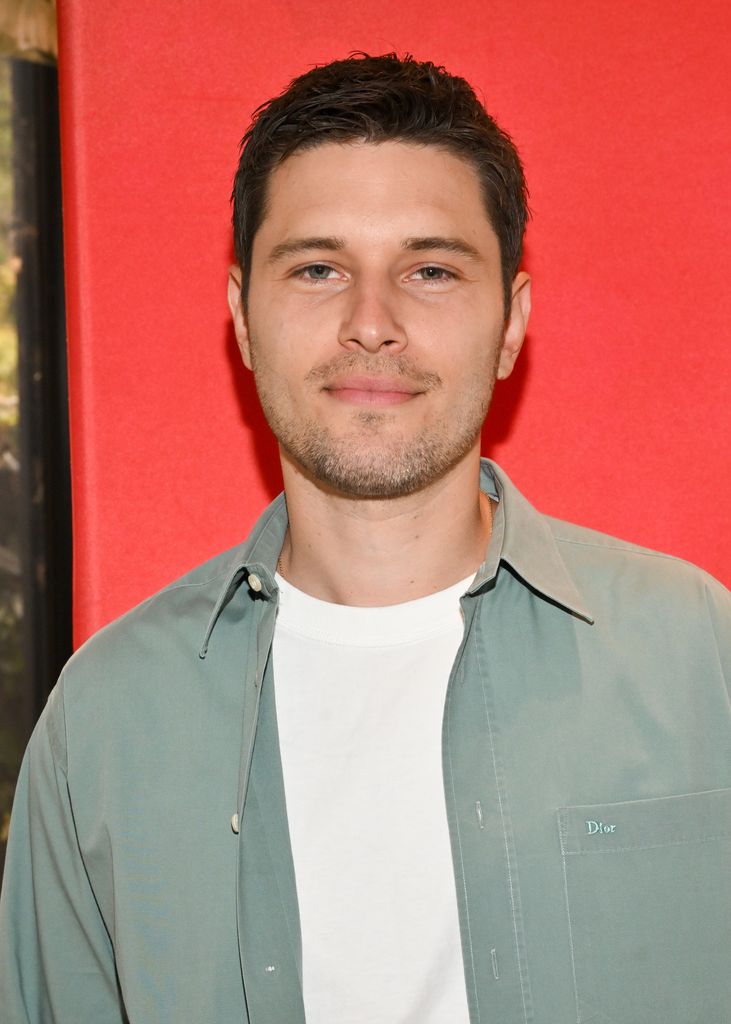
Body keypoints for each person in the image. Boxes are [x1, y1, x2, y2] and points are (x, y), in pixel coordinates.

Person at [1, 52, 729, 1024]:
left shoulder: (701, 659)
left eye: (429, 269)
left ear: (510, 322)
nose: (370, 323)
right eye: (316, 268)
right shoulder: (102, 725)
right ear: (241, 318)